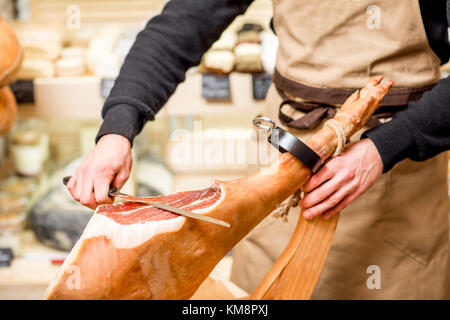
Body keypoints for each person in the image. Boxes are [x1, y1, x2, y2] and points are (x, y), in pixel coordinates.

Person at [66, 0, 450, 299]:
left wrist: (385, 148)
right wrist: (117, 129)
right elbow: (181, 26)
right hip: (283, 164)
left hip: (398, 171)